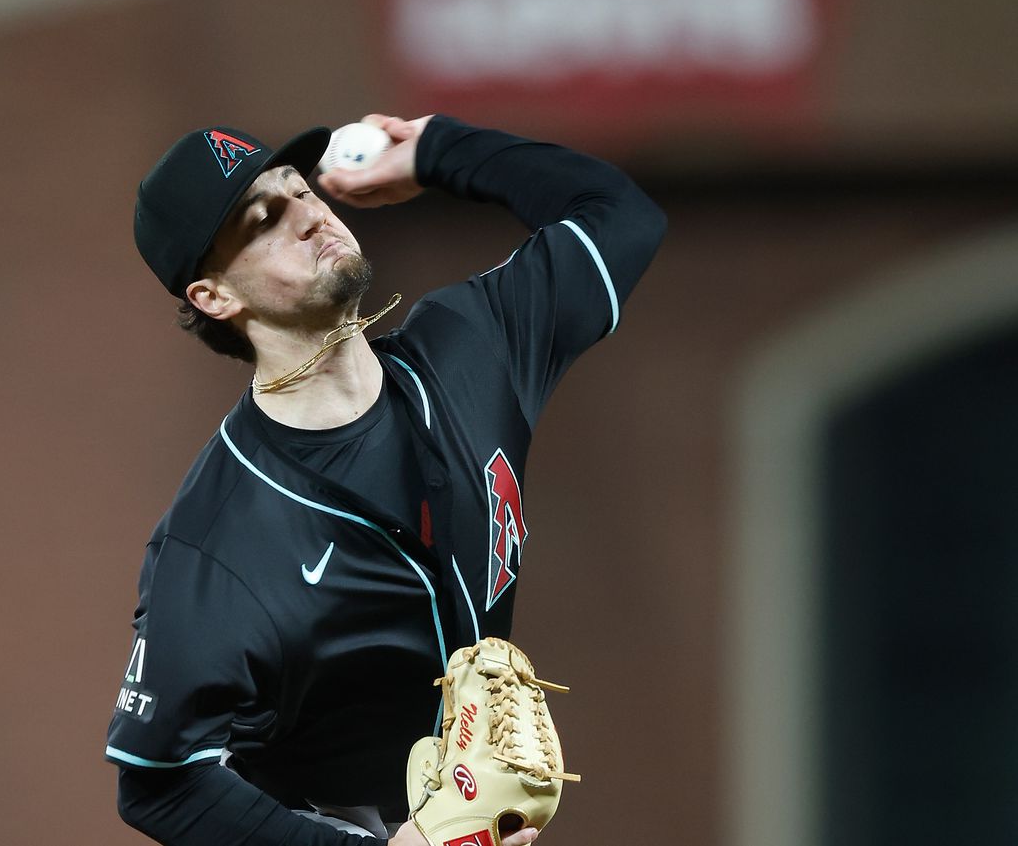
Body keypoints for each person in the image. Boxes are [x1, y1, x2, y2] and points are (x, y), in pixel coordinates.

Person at [106, 113, 666, 845]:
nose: (309, 216)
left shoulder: (471, 349)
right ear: (214, 295)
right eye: (266, 217)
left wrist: (439, 152)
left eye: (302, 189)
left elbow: (619, 215)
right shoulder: (218, 539)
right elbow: (158, 781)